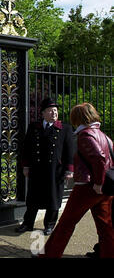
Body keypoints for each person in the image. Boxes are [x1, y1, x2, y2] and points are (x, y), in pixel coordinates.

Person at [39, 103, 114, 258]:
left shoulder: (86, 135)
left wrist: (99, 183)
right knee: (105, 226)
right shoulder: (103, 135)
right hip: (104, 189)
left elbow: (98, 157)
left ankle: (49, 255)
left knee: (65, 224)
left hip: (88, 188)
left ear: (78, 118)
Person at [16, 98, 74, 235]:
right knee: (32, 199)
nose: (54, 113)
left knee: (53, 200)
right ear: (43, 113)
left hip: (55, 171)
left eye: (55, 110)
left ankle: (49, 225)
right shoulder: (34, 127)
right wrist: (25, 166)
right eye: (50, 110)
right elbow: (26, 148)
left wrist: (69, 170)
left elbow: (70, 151)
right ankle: (27, 223)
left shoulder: (65, 128)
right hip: (36, 170)